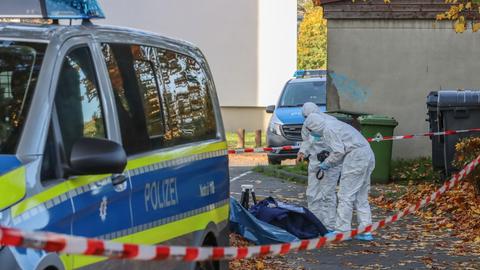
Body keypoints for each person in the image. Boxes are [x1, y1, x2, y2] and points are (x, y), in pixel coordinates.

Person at [301, 103, 375, 241]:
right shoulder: (334, 125)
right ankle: (366, 230)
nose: (312, 134)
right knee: (361, 195)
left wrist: (326, 164)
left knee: (345, 195)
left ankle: (342, 231)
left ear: (314, 127)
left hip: (355, 157)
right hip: (367, 154)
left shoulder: (328, 130)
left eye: (311, 130)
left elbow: (338, 152)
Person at [296, 102, 341, 232]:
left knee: (328, 194)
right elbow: (306, 140)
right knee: (312, 194)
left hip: (332, 161)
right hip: (315, 161)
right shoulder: (307, 125)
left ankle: (329, 226)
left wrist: (328, 161)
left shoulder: (331, 123)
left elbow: (338, 147)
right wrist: (302, 152)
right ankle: (316, 224)